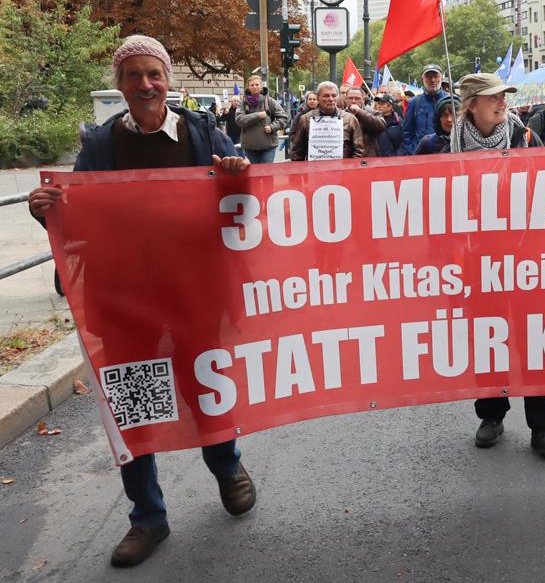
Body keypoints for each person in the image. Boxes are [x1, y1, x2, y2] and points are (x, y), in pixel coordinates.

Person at [26, 35, 254, 568]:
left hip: (195, 290)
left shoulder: (202, 133)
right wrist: (47, 212)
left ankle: (227, 465)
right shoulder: (100, 145)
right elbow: (76, 216)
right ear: (120, 85)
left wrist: (237, 176)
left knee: (205, 387)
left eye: (154, 74)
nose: (145, 85)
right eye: (134, 76)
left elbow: (243, 199)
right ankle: (147, 517)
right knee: (135, 398)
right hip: (126, 298)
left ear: (168, 81)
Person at [440, 73, 545, 455]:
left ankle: (543, 426)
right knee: (488, 337)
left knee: (535, 338)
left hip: (526, 255)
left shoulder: (525, 137)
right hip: (478, 259)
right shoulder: (451, 149)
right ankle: (491, 414)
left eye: (504, 95)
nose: (502, 102)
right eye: (493, 97)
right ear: (472, 104)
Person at [288, 80, 365, 160]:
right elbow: (297, 151)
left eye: (334, 95)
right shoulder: (305, 119)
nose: (331, 99)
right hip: (314, 169)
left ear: (338, 97)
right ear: (318, 98)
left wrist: (349, 169)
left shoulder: (350, 119)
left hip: (342, 170)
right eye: (326, 96)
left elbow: (359, 151)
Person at [234, 74, 287, 163]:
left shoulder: (270, 102)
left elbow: (284, 118)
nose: (254, 87)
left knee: (266, 174)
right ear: (248, 87)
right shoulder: (242, 103)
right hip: (250, 148)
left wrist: (272, 127)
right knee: (252, 174)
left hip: (268, 147)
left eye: (257, 85)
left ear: (261, 86)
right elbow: (239, 120)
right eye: (252, 85)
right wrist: (257, 115)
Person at [403, 65, 448, 154]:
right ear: (423, 79)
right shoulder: (414, 102)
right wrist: (413, 153)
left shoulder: (451, 101)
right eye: (429, 76)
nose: (432, 80)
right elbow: (407, 133)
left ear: (441, 78)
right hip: (421, 156)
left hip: (446, 155)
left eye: (435, 76)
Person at [344, 85, 388, 156]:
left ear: (363, 100)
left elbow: (381, 126)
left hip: (367, 158)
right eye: (350, 98)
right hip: (347, 159)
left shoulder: (374, 113)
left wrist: (359, 112)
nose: (353, 101)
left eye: (357, 98)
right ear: (346, 99)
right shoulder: (341, 115)